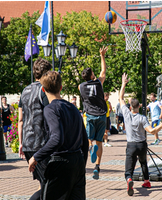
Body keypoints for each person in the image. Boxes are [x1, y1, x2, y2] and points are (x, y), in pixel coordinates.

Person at [28, 71, 88, 200]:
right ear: (60, 88)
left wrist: (36, 157)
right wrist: (81, 166)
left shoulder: (50, 109)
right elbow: (85, 140)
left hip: (61, 162)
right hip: (77, 160)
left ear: (43, 90)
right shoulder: (73, 108)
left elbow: (57, 138)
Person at [119, 73, 162, 196]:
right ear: (140, 107)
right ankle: (146, 181)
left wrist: (123, 83)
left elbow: (120, 98)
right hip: (141, 145)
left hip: (131, 145)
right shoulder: (142, 118)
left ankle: (129, 179)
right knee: (143, 163)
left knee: (129, 168)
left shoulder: (126, 113)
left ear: (130, 107)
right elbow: (151, 131)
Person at [18, 58, 51, 193]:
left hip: (28, 143)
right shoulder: (45, 90)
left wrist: (21, 143)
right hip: (42, 143)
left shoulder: (25, 90)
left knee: (42, 182)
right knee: (48, 183)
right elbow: (50, 116)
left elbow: (20, 120)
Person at [78, 46, 108, 180]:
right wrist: (102, 55)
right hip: (102, 115)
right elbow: (103, 71)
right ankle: (97, 167)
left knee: (89, 139)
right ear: (91, 75)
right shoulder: (99, 83)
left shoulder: (81, 87)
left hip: (90, 115)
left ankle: (90, 147)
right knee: (100, 142)